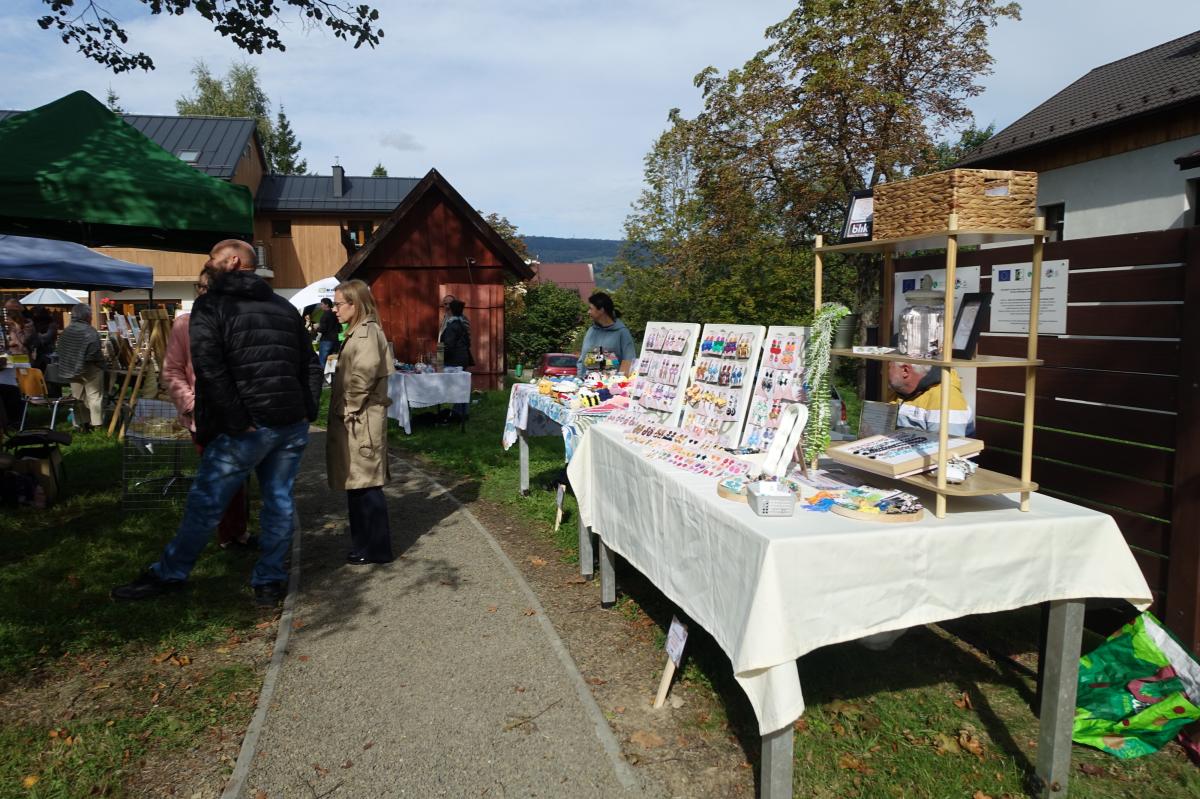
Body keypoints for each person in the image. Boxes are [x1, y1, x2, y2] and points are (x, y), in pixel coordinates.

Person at [112, 239, 320, 605]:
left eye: (212, 257)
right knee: (278, 502)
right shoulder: (283, 307)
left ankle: (171, 574)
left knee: (207, 504)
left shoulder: (212, 305)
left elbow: (211, 370)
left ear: (233, 261)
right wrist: (307, 410)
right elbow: (311, 365)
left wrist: (240, 421)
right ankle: (269, 579)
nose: (207, 263)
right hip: (287, 422)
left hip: (252, 427)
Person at [161, 265, 253, 550]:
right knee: (217, 477)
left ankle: (237, 532)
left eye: (210, 288)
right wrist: (191, 405)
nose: (205, 292)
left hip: (237, 414)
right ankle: (226, 535)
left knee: (236, 476)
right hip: (203, 416)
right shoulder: (184, 324)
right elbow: (172, 371)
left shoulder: (237, 321)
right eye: (201, 287)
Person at [327, 279, 395, 565]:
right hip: (358, 419)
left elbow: (363, 377)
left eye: (338, 304)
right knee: (357, 484)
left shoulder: (366, 333)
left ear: (354, 304)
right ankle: (364, 546)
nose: (334, 309)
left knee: (366, 485)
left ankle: (375, 549)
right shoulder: (358, 332)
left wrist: (348, 409)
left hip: (361, 420)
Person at [886, 362, 974, 436]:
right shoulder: (899, 392)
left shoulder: (946, 398)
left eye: (889, 367)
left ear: (905, 371)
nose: (882, 372)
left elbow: (948, 447)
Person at [55, 304, 106, 431]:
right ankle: (97, 425)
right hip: (89, 368)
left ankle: (82, 424)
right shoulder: (90, 331)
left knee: (77, 398)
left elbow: (59, 350)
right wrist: (102, 365)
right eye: (91, 315)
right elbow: (95, 353)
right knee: (94, 397)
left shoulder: (66, 331)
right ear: (87, 316)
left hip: (71, 368)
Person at [577, 291, 636, 376]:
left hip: (611, 383)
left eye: (591, 308)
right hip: (586, 382)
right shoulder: (591, 331)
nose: (588, 312)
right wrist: (579, 377)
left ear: (601, 310)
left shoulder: (622, 332)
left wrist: (618, 381)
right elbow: (582, 358)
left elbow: (629, 361)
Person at [440, 298, 472, 420]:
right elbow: (467, 342)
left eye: (449, 304)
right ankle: (460, 412)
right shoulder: (456, 322)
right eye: (445, 304)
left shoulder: (454, 324)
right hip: (461, 358)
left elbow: (448, 345)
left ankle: (459, 414)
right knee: (461, 385)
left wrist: (439, 360)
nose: (446, 306)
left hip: (455, 359)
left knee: (458, 386)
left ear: (452, 309)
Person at [315, 296, 340, 371]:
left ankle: (322, 376)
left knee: (322, 360)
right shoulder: (335, 314)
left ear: (327, 305)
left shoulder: (325, 315)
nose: (321, 306)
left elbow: (323, 329)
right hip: (335, 339)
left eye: (322, 304)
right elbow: (339, 327)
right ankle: (331, 375)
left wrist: (316, 328)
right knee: (332, 360)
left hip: (326, 340)